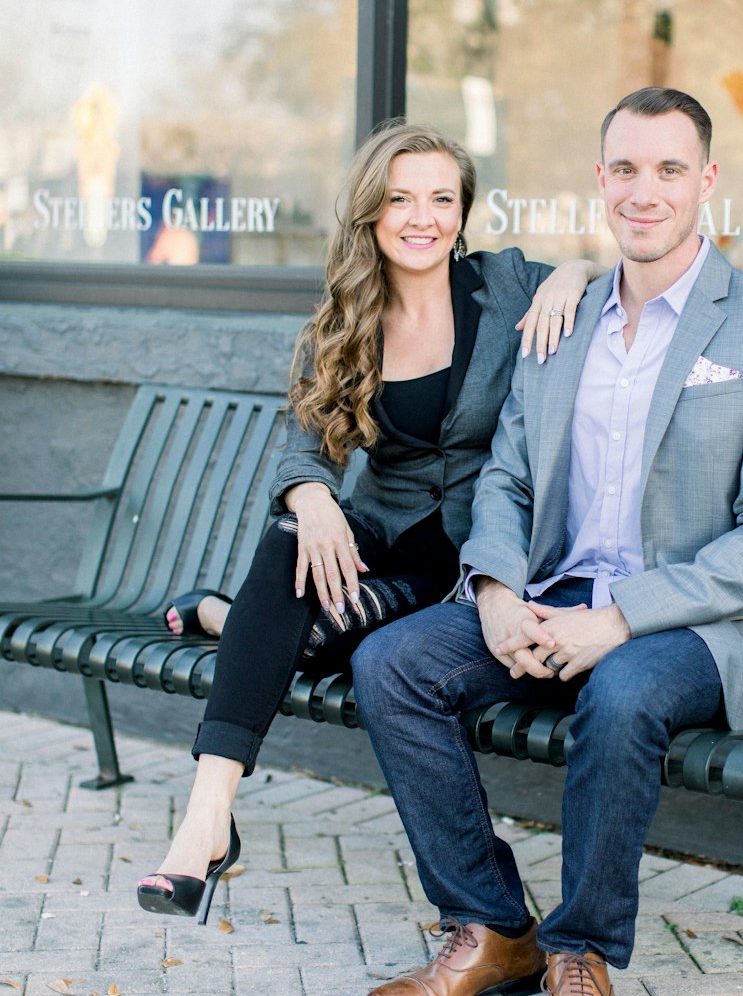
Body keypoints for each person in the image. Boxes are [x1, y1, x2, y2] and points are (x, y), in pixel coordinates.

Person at [350, 86, 743, 996]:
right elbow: (510, 475)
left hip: (704, 626)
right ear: (600, 182)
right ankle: (492, 926)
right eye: (624, 169)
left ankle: (581, 954)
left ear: (704, 183)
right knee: (393, 664)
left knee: (617, 691)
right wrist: (490, 592)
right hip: (555, 597)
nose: (643, 191)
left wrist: (616, 621)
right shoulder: (558, 319)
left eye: (667, 170)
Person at [136, 121, 599, 922]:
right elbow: (301, 446)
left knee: (310, 638)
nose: (423, 217)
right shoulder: (347, 317)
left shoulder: (509, 285)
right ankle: (206, 820)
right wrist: (311, 498)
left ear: (462, 211)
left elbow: (623, 271)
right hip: (381, 537)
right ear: (371, 213)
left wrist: (577, 274)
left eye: (442, 199)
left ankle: (220, 613)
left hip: (472, 556)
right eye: (400, 199)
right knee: (290, 545)